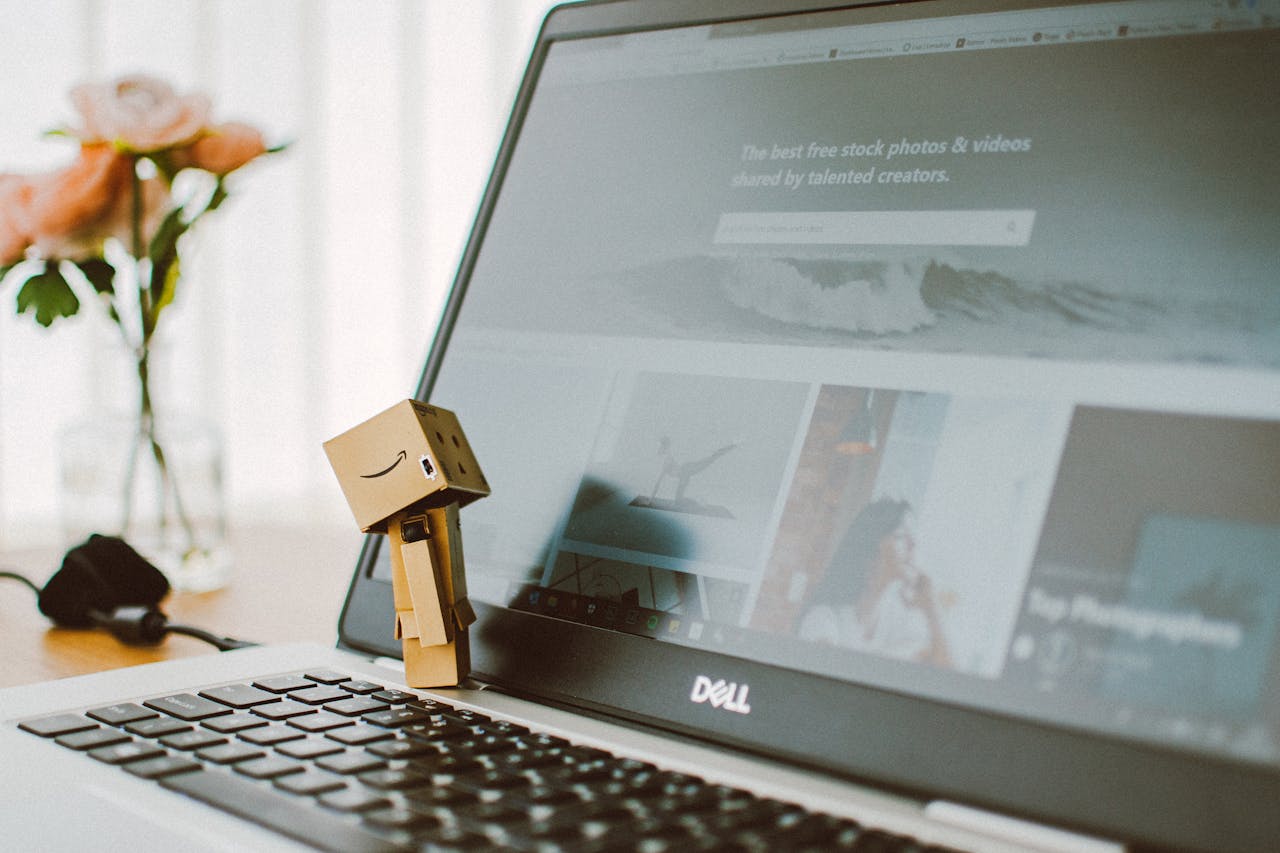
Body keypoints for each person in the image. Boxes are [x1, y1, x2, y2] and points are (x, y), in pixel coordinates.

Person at [798, 498, 951, 667]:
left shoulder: (898, 620)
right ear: (870, 545)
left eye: (912, 538)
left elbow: (947, 676)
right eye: (901, 536)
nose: (912, 545)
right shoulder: (824, 618)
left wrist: (930, 609)